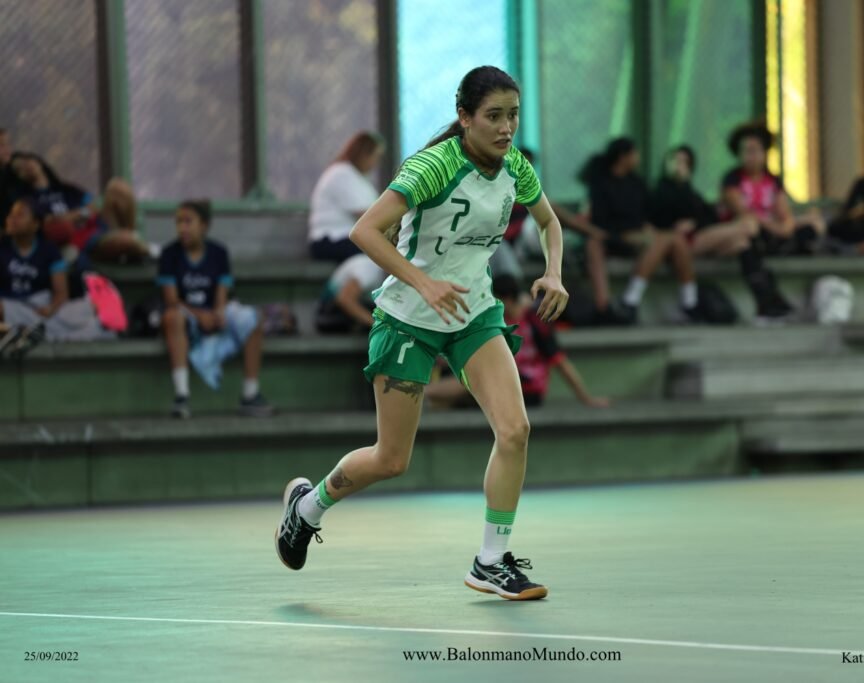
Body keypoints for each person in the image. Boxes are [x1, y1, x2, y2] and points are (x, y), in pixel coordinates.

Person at [274, 65, 569, 601]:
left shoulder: (515, 167)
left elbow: (549, 222)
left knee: (515, 430)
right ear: (465, 118)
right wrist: (424, 282)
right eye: (494, 116)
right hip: (408, 317)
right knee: (391, 459)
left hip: (472, 315)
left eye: (513, 115)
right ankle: (308, 506)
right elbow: (365, 230)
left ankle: (490, 560)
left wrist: (553, 272)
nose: (506, 127)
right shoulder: (435, 165)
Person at [157, 200, 273, 419]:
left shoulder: (219, 253)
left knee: (253, 318)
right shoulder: (169, 254)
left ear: (204, 225)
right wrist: (199, 315)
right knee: (172, 318)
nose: (182, 228)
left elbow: (222, 294)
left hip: (212, 313)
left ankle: (250, 394)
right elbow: (171, 299)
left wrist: (218, 314)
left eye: (188, 221)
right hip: (187, 316)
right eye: (179, 222)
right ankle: (182, 396)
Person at [650, 145, 792, 320]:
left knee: (741, 243)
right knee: (747, 226)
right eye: (675, 161)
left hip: (703, 239)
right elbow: (658, 218)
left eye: (684, 162)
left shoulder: (691, 191)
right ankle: (771, 292)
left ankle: (766, 301)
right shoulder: (661, 190)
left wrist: (700, 218)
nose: (679, 166)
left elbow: (705, 216)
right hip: (681, 244)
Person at [426, 275, 609, 409]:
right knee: (445, 397)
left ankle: (421, 391)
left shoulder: (534, 321)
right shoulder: (498, 320)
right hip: (500, 381)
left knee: (473, 378)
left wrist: (586, 399)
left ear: (505, 299)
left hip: (527, 388)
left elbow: (560, 362)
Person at [581, 137, 701, 324]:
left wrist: (683, 185)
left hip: (640, 234)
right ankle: (630, 299)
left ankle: (689, 303)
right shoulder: (601, 184)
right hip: (614, 235)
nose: (638, 158)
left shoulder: (636, 182)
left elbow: (652, 212)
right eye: (634, 154)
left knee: (675, 240)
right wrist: (632, 230)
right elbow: (600, 220)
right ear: (623, 157)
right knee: (662, 239)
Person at [720, 122, 825, 256]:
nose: (752, 157)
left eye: (756, 150)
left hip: (773, 226)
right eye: (747, 151)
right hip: (752, 229)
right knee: (749, 226)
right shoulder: (732, 179)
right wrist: (777, 228)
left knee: (815, 221)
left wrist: (786, 225)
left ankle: (789, 248)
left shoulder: (773, 180)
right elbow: (742, 212)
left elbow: (783, 212)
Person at [308, 131, 386, 262]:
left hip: (345, 239)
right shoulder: (342, 173)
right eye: (376, 156)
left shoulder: (357, 177)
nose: (376, 162)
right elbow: (365, 215)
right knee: (384, 251)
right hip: (330, 240)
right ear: (364, 154)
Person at [0, 199, 68, 344]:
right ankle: (15, 332)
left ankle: (20, 332)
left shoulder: (49, 251)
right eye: (11, 215)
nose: (12, 219)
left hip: (37, 306)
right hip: (7, 304)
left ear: (35, 224)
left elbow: (61, 293)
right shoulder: (2, 246)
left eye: (20, 215)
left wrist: (51, 308)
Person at [8, 152, 89, 223]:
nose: (26, 166)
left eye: (26, 160)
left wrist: (83, 212)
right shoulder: (28, 202)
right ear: (18, 177)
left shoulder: (67, 189)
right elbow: (50, 221)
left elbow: (95, 202)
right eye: (19, 168)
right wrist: (84, 212)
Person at [315, 254, 387, 333]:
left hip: (364, 306)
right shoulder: (368, 270)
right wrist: (376, 324)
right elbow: (344, 299)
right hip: (331, 310)